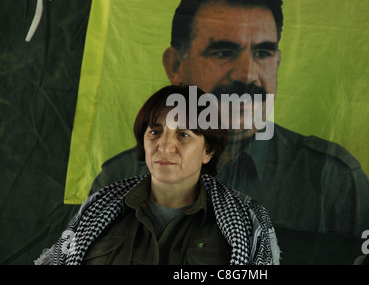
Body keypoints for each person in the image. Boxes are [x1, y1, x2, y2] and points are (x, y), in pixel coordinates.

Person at [90, 0, 369, 263]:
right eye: (223, 52)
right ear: (176, 65)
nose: (247, 75)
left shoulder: (332, 181)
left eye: (263, 53)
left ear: (277, 64)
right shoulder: (117, 180)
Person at [35, 85, 280, 265]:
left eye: (183, 134)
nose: (164, 146)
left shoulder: (246, 221)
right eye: (155, 132)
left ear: (208, 150)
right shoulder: (98, 208)